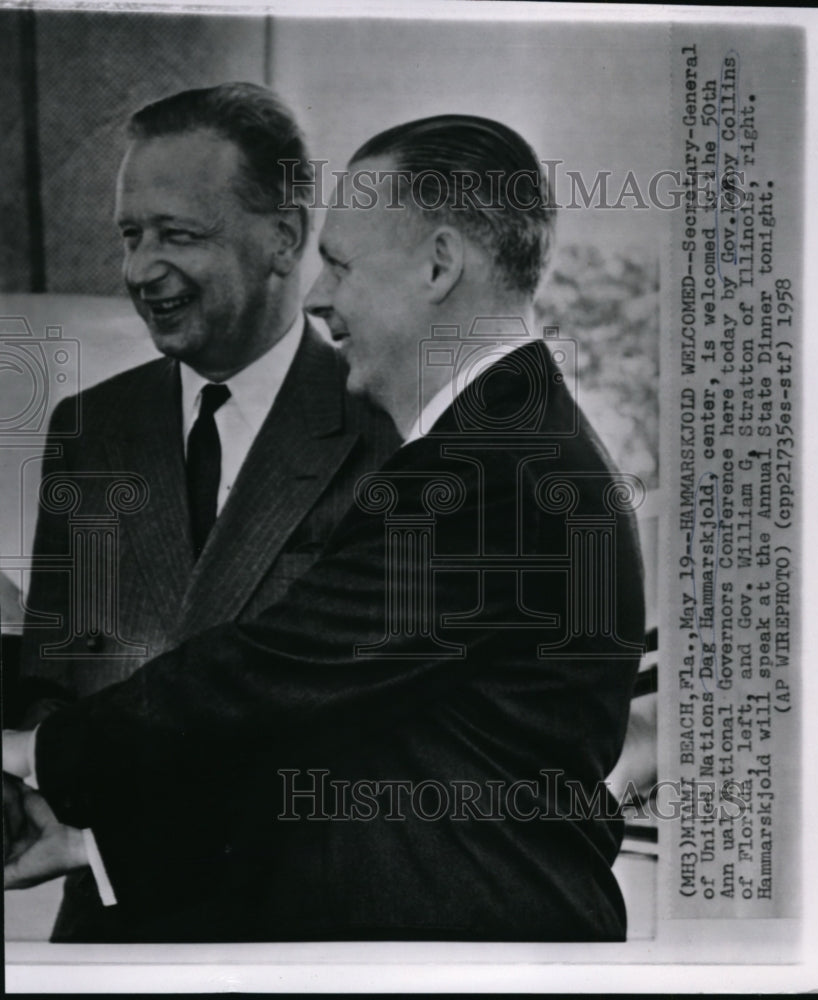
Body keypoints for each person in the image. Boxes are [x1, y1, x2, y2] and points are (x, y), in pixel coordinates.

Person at [5, 114, 645, 942]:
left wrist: (39, 754)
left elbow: (271, 671)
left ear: (439, 264)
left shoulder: (488, 469)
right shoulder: (513, 441)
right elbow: (348, 756)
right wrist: (95, 838)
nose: (317, 296)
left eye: (339, 264)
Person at [7, 82, 398, 941]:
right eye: (130, 235)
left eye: (178, 235)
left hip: (302, 935)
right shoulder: (92, 429)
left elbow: (371, 748)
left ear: (284, 240)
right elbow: (53, 671)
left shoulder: (388, 433)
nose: (141, 269)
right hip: (107, 932)